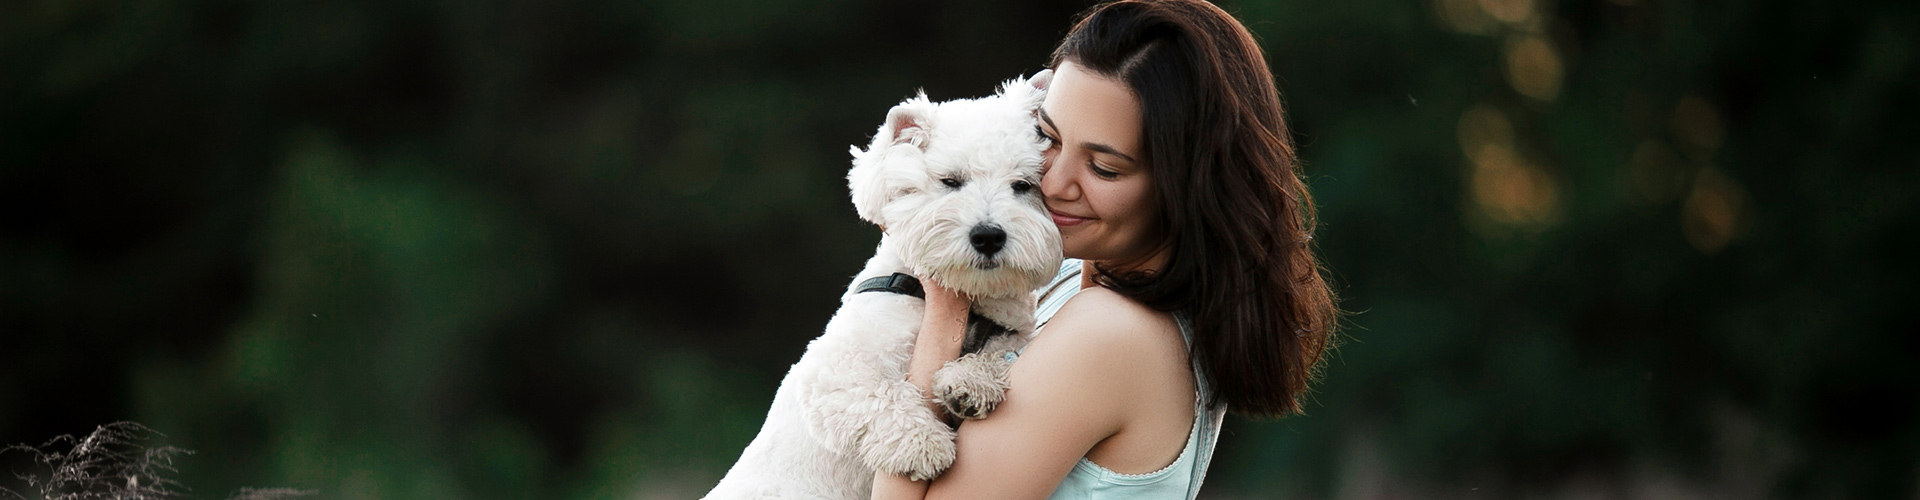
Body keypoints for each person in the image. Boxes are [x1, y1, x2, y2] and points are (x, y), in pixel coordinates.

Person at [872, 0, 1339, 498]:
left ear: (1185, 188)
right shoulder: (1076, 281)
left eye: (1104, 168)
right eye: (1047, 138)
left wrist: (944, 306)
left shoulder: (1110, 333)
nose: (1052, 183)